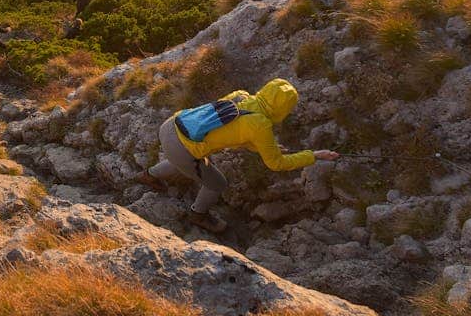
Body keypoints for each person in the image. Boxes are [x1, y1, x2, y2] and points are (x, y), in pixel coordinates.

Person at [133, 79, 339, 233]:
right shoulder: (261, 125)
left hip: (171, 125)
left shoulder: (241, 96)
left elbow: (232, 129)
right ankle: (198, 214)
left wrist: (262, 146)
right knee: (217, 184)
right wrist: (314, 155)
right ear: (284, 109)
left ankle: (149, 175)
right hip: (183, 147)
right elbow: (276, 164)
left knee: (189, 159)